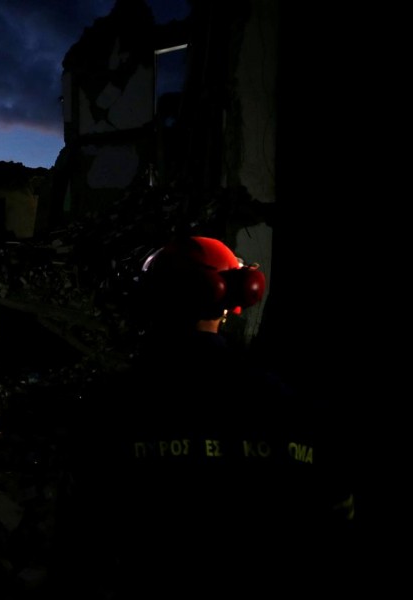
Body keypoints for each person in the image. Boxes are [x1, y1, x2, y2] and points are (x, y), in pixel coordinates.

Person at [57, 236, 356, 595]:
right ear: (236, 297)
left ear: (151, 303)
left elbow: (83, 537)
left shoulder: (110, 406)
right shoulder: (293, 403)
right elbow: (335, 518)